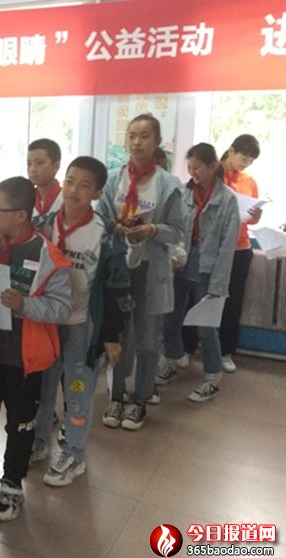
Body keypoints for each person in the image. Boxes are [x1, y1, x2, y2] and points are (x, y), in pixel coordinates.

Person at [0, 176, 71, 520]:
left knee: (20, 424)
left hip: (24, 360)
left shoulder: (48, 256)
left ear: (21, 215)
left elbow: (62, 308)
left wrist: (25, 305)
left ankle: (12, 484)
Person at [33, 157, 133, 484]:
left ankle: (74, 453)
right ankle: (38, 441)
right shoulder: (43, 225)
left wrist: (111, 335)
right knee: (43, 387)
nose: (74, 190)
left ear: (98, 192)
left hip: (82, 326)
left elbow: (118, 289)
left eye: (84, 185)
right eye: (70, 181)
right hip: (46, 322)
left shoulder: (106, 235)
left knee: (78, 389)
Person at [97, 113, 184, 431]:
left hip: (150, 269)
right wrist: (115, 226)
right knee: (118, 336)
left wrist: (153, 230)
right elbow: (100, 219)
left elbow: (178, 231)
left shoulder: (169, 185)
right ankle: (117, 396)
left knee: (147, 339)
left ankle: (141, 400)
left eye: (145, 136)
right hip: (118, 269)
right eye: (132, 135)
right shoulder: (112, 180)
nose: (137, 142)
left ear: (157, 141)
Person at [157, 143, 240, 402]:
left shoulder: (227, 199)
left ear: (213, 166)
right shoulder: (183, 193)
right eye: (190, 168)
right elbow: (173, 230)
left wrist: (218, 284)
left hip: (208, 269)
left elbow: (227, 246)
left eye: (198, 168)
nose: (193, 173)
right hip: (179, 264)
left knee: (206, 329)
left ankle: (212, 378)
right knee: (169, 321)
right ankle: (172, 361)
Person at [218, 134, 263, 373]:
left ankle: (225, 351)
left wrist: (256, 215)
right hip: (213, 247)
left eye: (251, 161)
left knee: (233, 301)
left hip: (241, 247)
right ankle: (189, 346)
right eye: (244, 158)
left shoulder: (249, 181)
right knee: (203, 296)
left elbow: (252, 218)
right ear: (231, 151)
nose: (246, 164)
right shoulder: (212, 173)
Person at [27, 138, 63, 228]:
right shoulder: (24, 199)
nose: (32, 169)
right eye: (29, 164)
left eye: (39, 163)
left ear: (56, 166)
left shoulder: (65, 200)